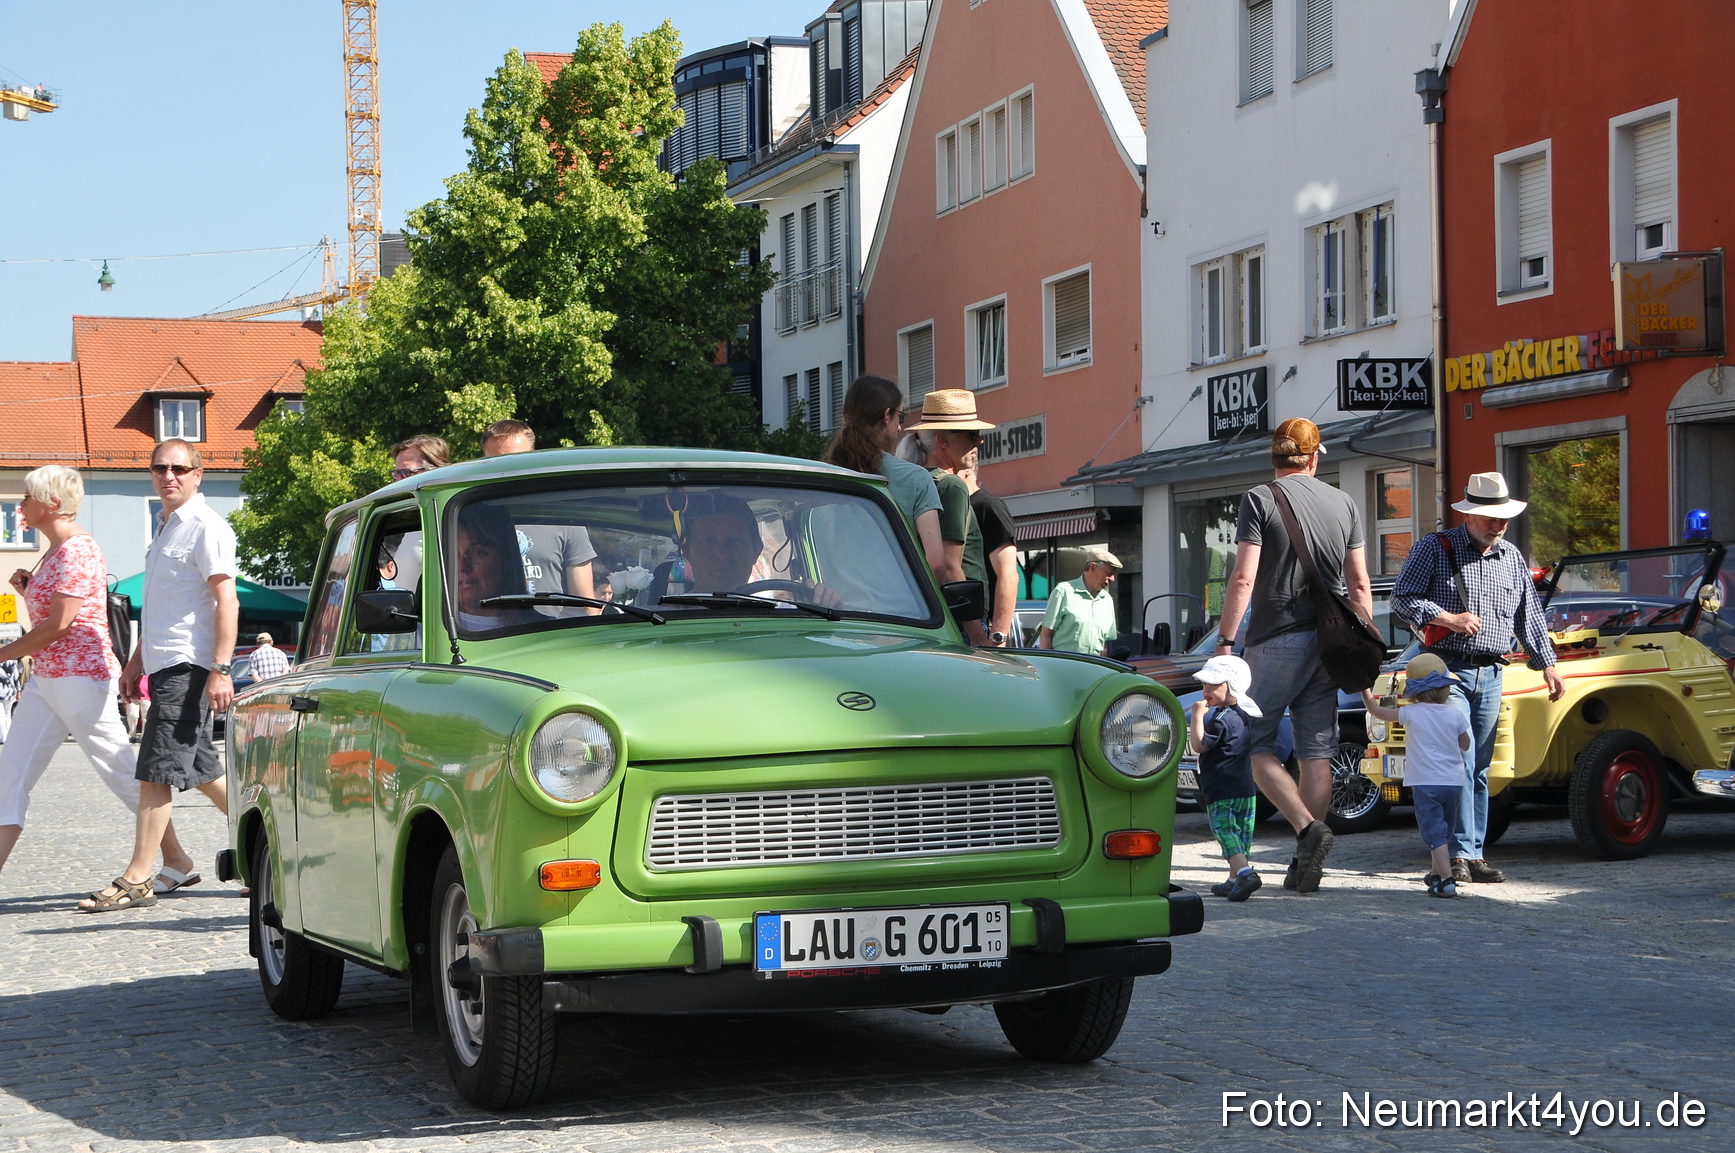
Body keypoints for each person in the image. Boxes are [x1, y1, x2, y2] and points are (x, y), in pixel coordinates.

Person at [1214, 417, 1372, 895]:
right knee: (1315, 750)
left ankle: (1307, 829)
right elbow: (1361, 584)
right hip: (1330, 642)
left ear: (1274, 457)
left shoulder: (1260, 499)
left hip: (1275, 636)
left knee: (1253, 744)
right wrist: (1360, 648)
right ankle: (1306, 865)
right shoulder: (1344, 502)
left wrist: (1225, 642)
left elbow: (1243, 578)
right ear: (1314, 456)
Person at [1391, 471, 1564, 885]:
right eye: (1490, 517)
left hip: (1490, 670)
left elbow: (1529, 616)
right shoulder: (1434, 548)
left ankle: (1472, 852)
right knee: (1460, 763)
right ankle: (1455, 855)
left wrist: (1549, 665)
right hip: (1444, 670)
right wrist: (1447, 617)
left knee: (1481, 766)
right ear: (1468, 515)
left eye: (1503, 517)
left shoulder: (1511, 557)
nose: (1498, 525)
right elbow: (1402, 598)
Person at [1361, 654, 1474, 898]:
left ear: (1414, 691)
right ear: (1445, 689)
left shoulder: (1411, 713)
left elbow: (1377, 711)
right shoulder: (1455, 714)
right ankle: (1436, 874)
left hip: (1425, 782)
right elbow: (1465, 745)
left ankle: (1446, 880)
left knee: (1433, 833)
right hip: (1453, 783)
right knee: (1444, 830)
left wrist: (1364, 689)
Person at [823, 375, 948, 582]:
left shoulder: (824, 478)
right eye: (901, 416)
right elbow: (936, 563)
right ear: (887, 415)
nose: (900, 427)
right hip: (896, 611)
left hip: (836, 609)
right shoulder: (916, 478)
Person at [905, 389, 993, 646]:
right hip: (958, 624)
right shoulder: (952, 485)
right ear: (943, 441)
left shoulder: (915, 481)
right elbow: (950, 568)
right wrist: (977, 635)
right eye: (972, 435)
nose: (979, 442)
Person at [481, 420, 599, 611]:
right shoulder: (469, 518)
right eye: (495, 462)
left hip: (549, 635)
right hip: (485, 636)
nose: (506, 471)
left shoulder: (563, 519)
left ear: (534, 457)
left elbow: (586, 603)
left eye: (516, 460)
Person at [1187, 654, 1264, 901]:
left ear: (1231, 687)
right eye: (1204, 685)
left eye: (1213, 685)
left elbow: (1199, 745)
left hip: (1222, 789)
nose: (1206, 689)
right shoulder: (1243, 715)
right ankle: (1233, 881)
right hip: (1245, 787)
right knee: (1241, 834)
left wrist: (1197, 715)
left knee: (1225, 832)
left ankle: (1244, 874)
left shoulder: (1220, 720)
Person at [960, 465, 1019, 648]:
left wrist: (997, 638)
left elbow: (1008, 575)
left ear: (968, 468)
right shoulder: (953, 506)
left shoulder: (988, 507)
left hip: (982, 629)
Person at [1038, 547, 1121, 655]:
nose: (1112, 579)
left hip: (1094, 668)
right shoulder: (1064, 591)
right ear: (1093, 567)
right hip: (1064, 667)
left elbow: (1105, 645)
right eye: (1109, 573)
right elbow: (1045, 635)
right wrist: (1046, 666)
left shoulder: (1107, 600)